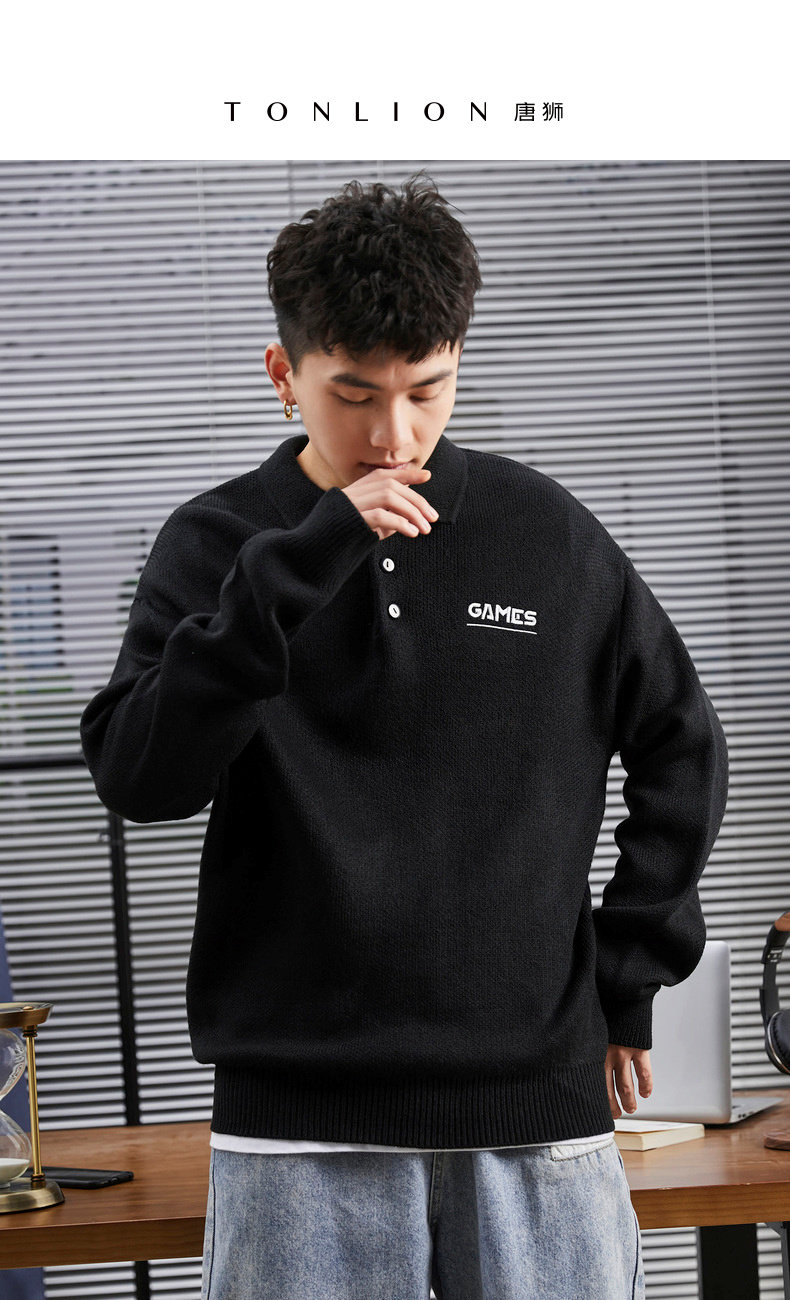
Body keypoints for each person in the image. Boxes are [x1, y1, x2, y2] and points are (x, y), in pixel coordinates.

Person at [79, 173, 729, 1300]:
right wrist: (294, 566)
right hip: (298, 1130)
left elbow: (683, 744)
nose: (395, 435)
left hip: (535, 1113)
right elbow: (141, 775)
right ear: (282, 376)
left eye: (427, 390)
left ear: (458, 361)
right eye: (354, 395)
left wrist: (627, 973)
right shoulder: (220, 544)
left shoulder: (545, 534)